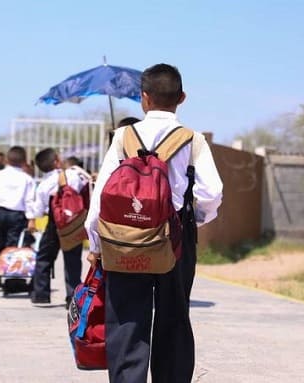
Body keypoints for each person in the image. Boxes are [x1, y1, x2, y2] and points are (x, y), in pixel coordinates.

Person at [84, 63, 223, 383]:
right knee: (174, 316)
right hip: (175, 237)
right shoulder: (193, 140)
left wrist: (96, 244)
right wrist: (195, 220)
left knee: (126, 318)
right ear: (182, 97)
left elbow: (101, 195)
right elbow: (211, 192)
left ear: (143, 97)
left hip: (123, 238)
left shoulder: (123, 137)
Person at [30, 149, 88, 307]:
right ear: (56, 161)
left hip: (53, 223)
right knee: (73, 260)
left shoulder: (43, 185)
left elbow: (38, 210)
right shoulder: (72, 174)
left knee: (44, 257)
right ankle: (73, 297)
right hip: (72, 222)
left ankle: (41, 294)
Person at [0, 146, 36, 286]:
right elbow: (29, 201)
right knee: (13, 246)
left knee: (0, 245)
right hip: (17, 216)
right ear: (24, 161)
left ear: (7, 159)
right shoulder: (27, 179)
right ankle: (12, 278)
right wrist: (31, 219)